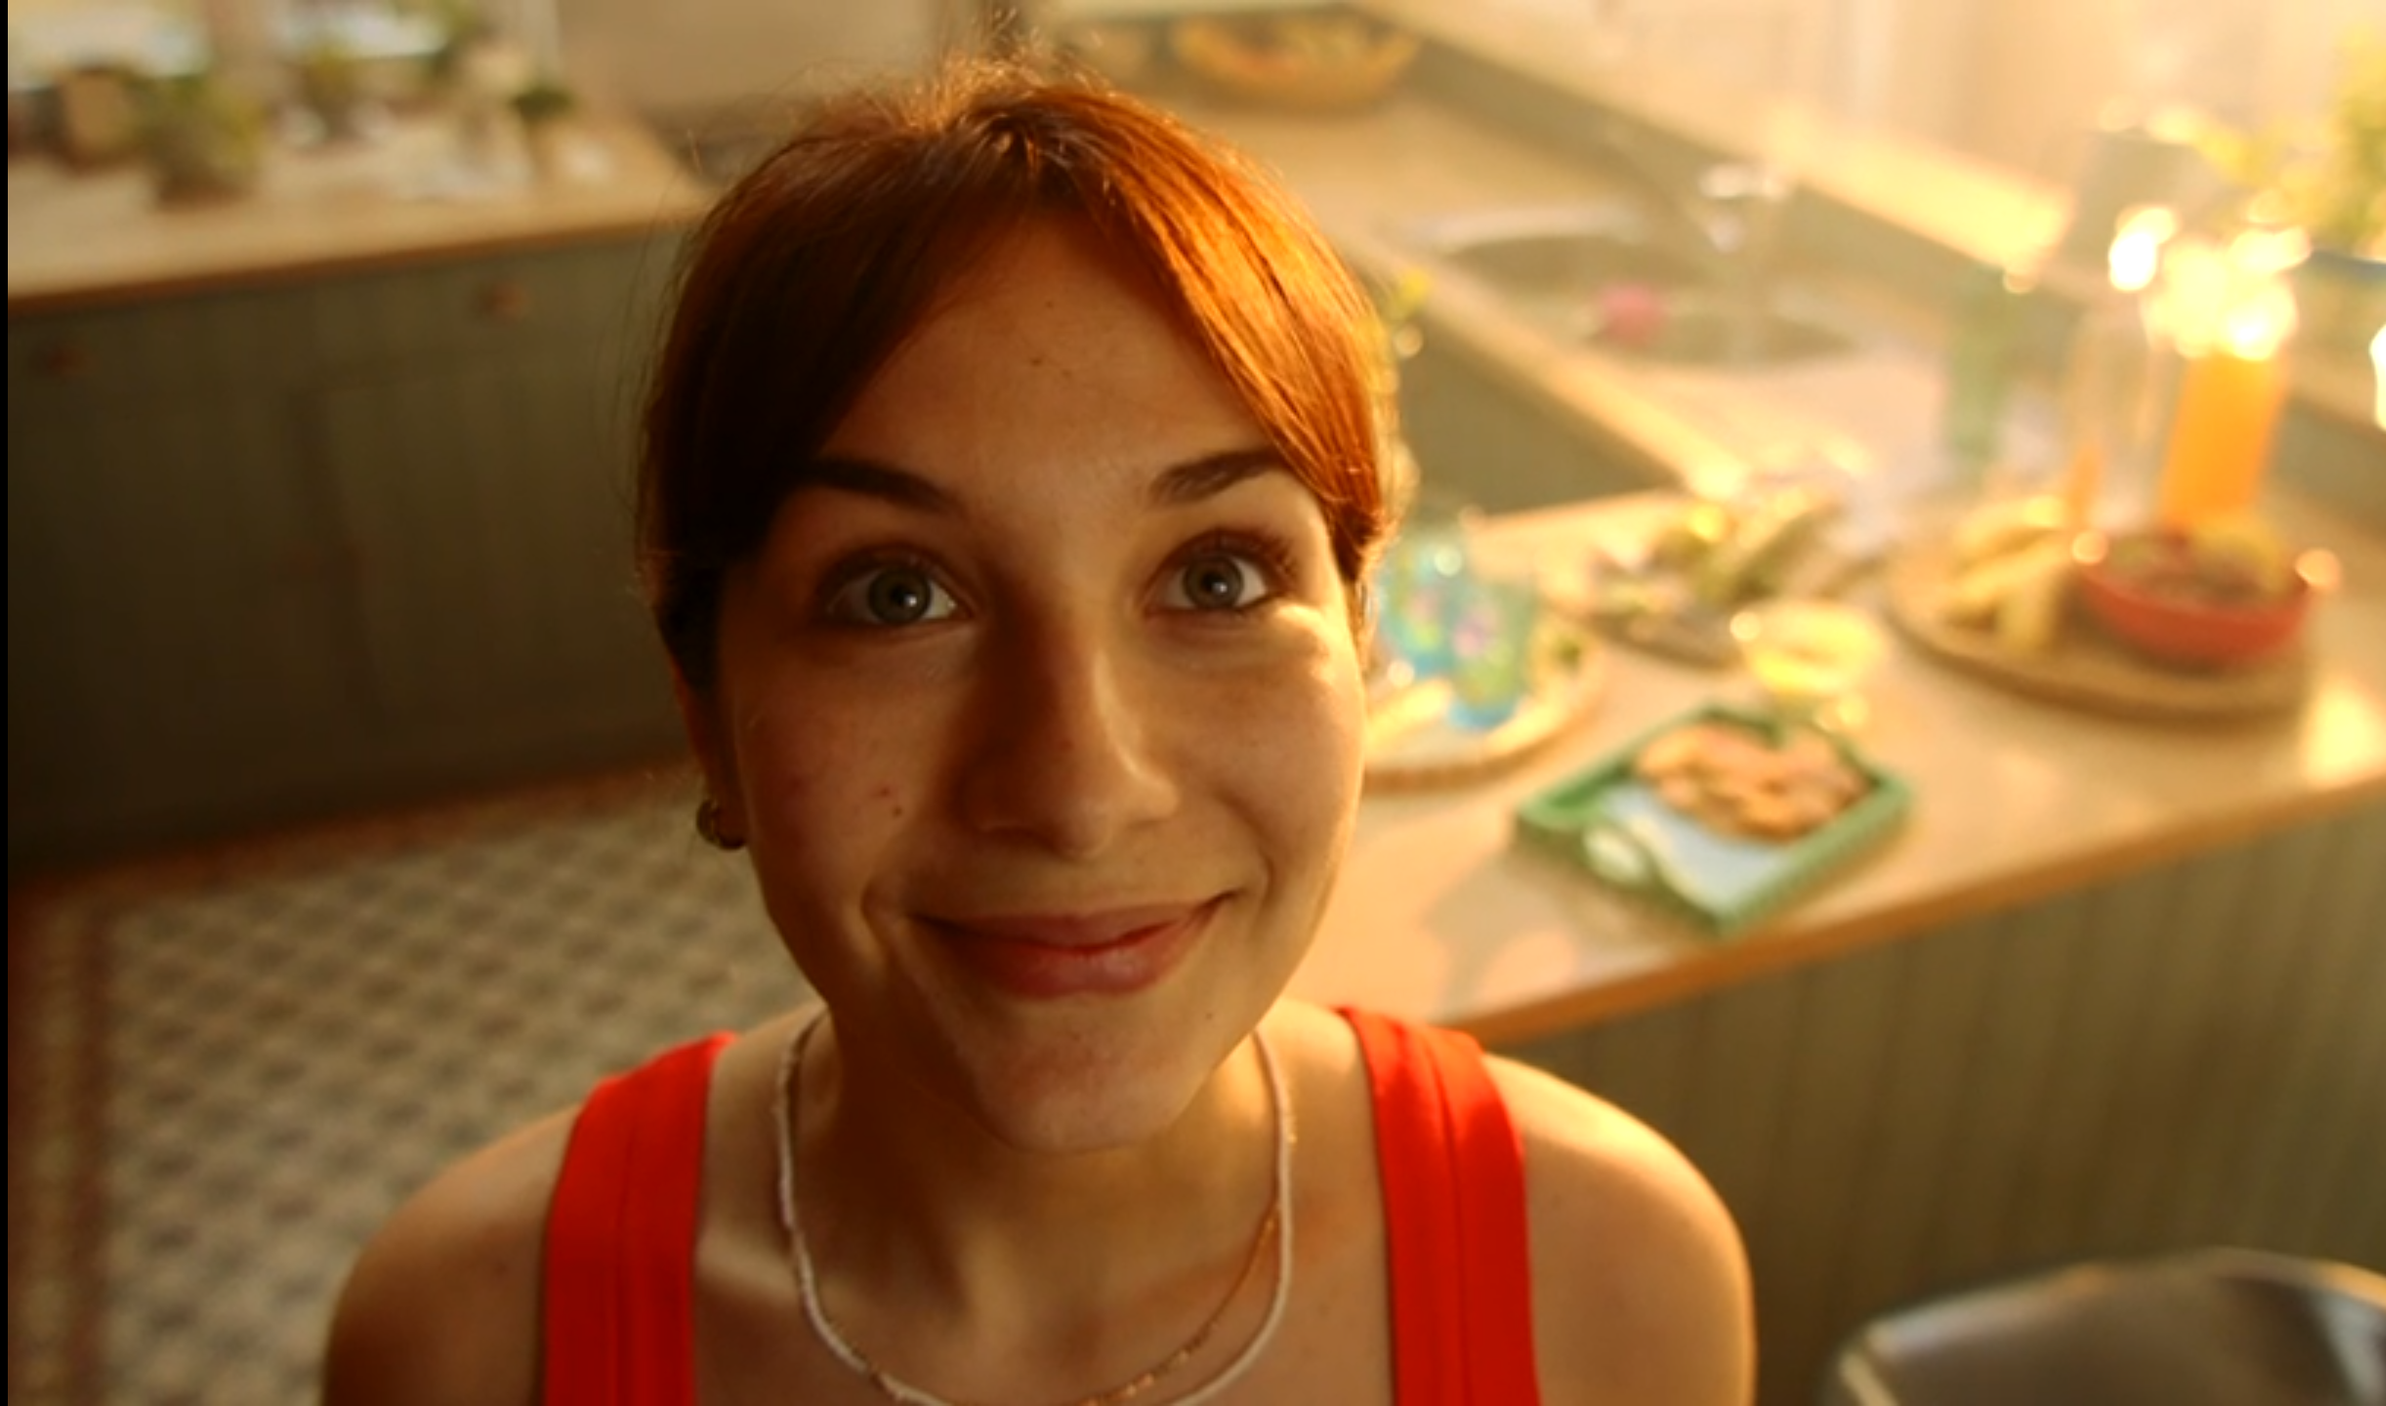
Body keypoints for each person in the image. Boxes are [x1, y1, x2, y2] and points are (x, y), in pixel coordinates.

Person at [321, 50, 1751, 1406]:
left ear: (1361, 639)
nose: (1080, 790)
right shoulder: (472, 1340)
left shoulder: (1613, 1281)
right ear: (705, 704)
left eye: (1216, 576)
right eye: (896, 594)